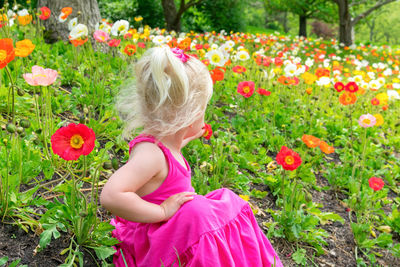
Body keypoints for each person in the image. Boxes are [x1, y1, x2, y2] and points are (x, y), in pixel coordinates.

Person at [100, 45, 283, 267]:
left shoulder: (166, 143)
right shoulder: (150, 155)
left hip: (171, 230)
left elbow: (171, 153)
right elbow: (111, 195)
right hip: (153, 238)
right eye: (203, 108)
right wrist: (161, 211)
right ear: (191, 115)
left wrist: (188, 136)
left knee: (226, 201)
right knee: (199, 212)